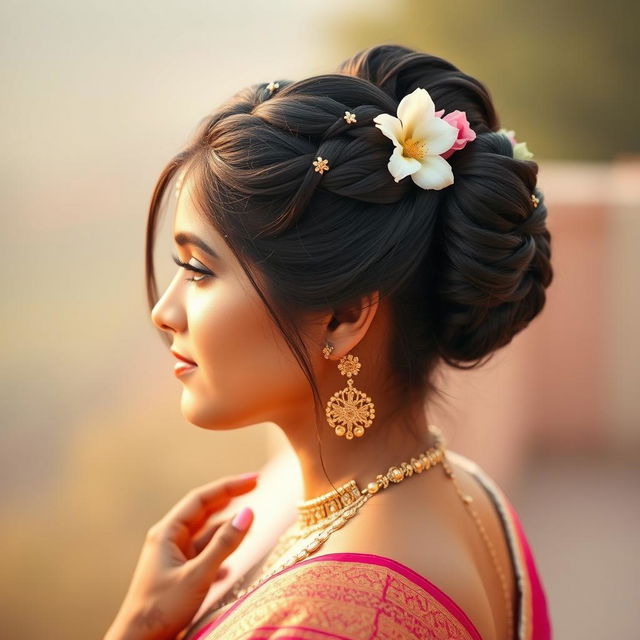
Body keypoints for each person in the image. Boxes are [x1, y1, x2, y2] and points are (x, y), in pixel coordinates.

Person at [104, 43, 553, 640]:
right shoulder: (471, 497)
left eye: (199, 270)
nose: (165, 312)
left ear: (342, 317)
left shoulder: (330, 622)